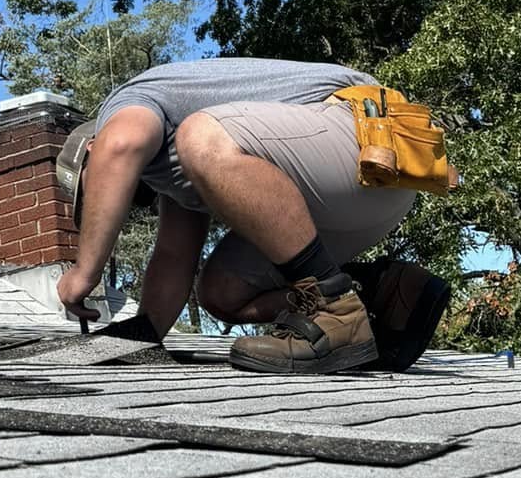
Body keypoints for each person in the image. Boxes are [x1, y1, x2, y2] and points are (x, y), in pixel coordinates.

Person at [53, 56, 419, 374]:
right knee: (222, 293)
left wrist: (86, 272)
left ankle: (333, 311)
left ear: (91, 148)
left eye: (94, 185)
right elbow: (173, 256)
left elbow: (121, 145)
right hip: (358, 196)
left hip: (369, 136)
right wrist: (140, 338)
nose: (119, 197)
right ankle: (376, 294)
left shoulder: (125, 106)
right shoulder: (175, 172)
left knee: (200, 136)